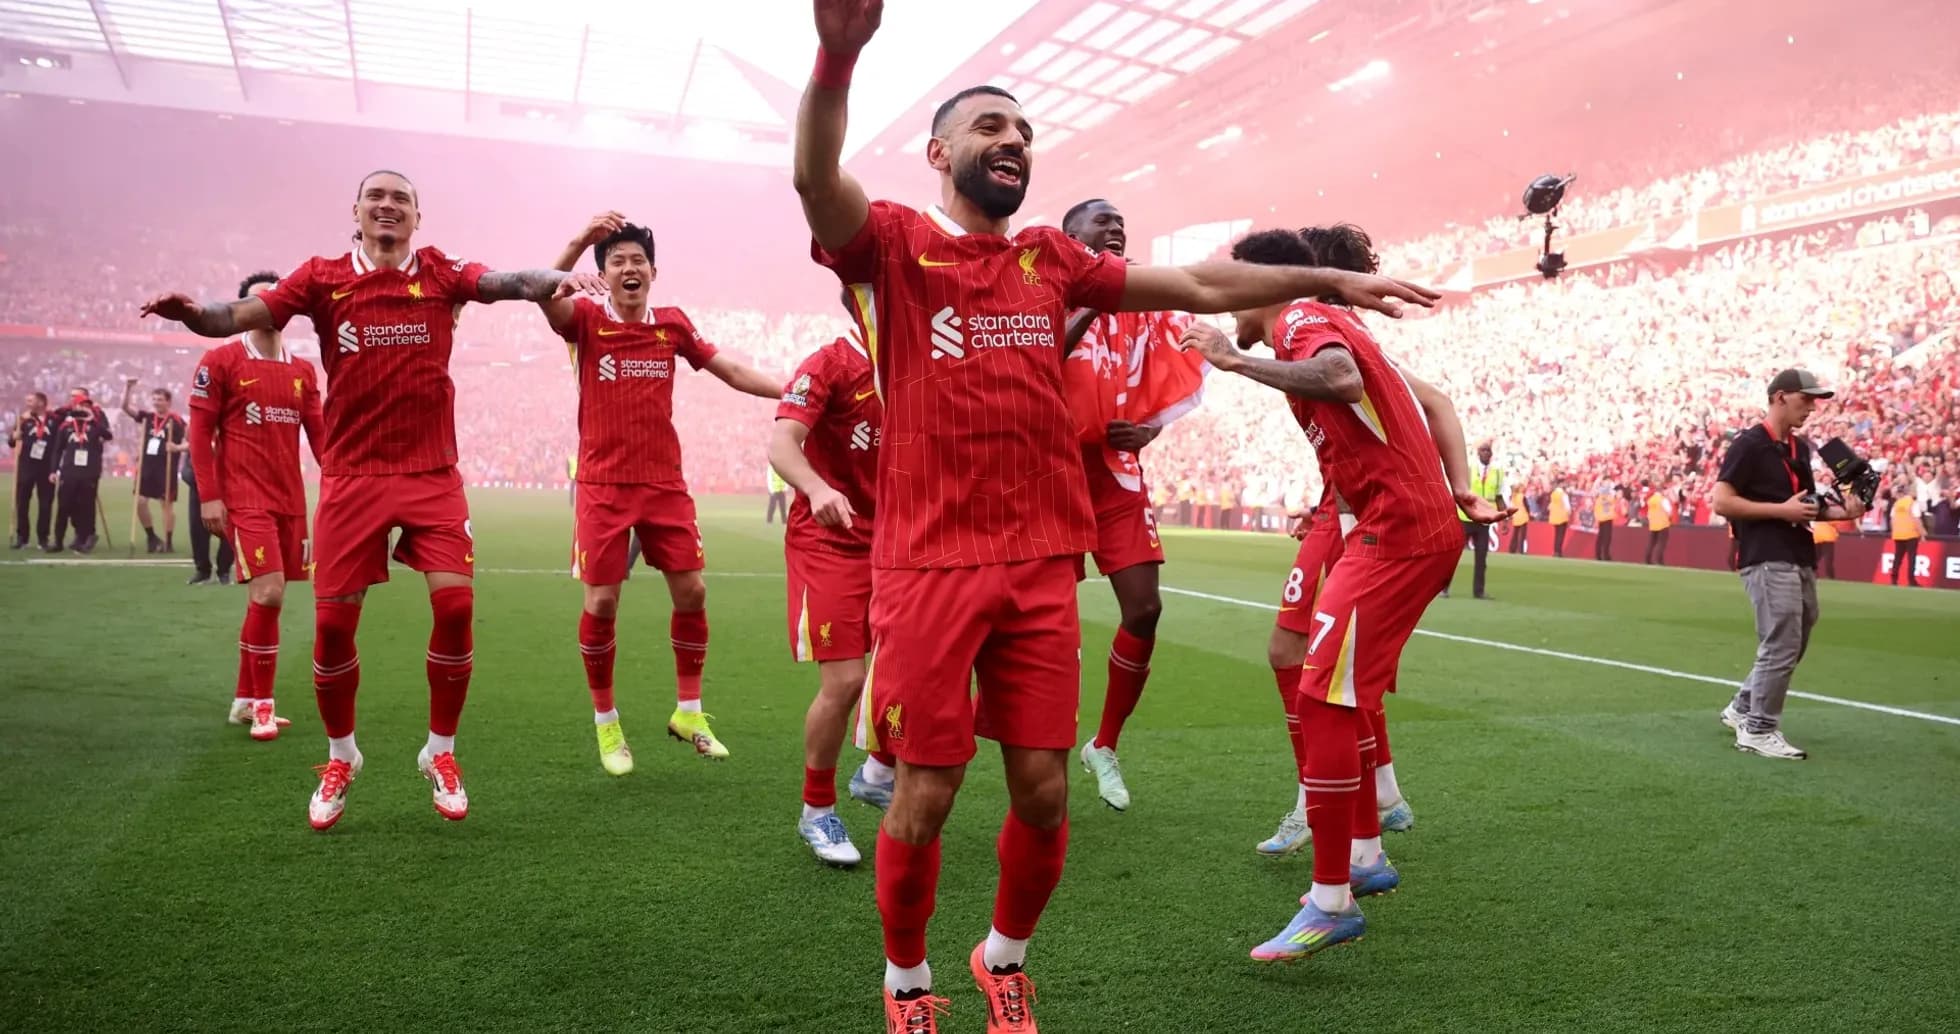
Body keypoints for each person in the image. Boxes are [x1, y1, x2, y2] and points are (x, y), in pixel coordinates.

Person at [794, 5, 1435, 1026]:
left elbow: (1193, 278)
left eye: (1025, 133)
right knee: (925, 794)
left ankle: (1003, 956)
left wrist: (1333, 274)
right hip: (924, 567)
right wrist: (839, 52)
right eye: (991, 126)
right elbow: (817, 183)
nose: (1014, 141)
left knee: (1044, 790)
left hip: (1042, 562)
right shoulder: (896, 248)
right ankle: (907, 980)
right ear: (938, 151)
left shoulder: (1052, 259)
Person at [141, 168, 595, 831]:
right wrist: (192, 315)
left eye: (401, 199)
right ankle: (341, 756)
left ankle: (440, 752)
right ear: (354, 212)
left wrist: (557, 279)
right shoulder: (321, 278)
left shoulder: (439, 272)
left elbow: (510, 283)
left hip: (430, 472)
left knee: (458, 604)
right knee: (331, 627)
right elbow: (235, 315)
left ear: (418, 217)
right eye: (376, 197)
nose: (388, 206)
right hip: (353, 477)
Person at [1179, 226, 1502, 963]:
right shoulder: (1323, 318)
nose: (1227, 300)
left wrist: (1231, 360)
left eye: (1232, 283)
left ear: (1261, 281)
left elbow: (1342, 381)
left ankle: (1333, 898)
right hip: (1392, 527)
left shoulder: (1298, 318)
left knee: (1320, 692)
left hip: (1397, 531)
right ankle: (1363, 854)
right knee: (1340, 692)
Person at [541, 214, 783, 771]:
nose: (630, 268)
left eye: (637, 260)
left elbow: (729, 369)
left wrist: (795, 390)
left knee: (693, 592)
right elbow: (543, 294)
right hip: (602, 485)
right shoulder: (583, 320)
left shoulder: (671, 326)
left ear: (653, 271)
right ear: (602, 273)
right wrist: (577, 240)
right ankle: (607, 725)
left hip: (664, 484)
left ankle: (689, 712)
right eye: (617, 261)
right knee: (602, 602)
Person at [1060, 197, 1206, 812]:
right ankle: (1036, 747)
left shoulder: (1143, 297)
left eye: (1123, 222)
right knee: (1047, 621)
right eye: (1103, 221)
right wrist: (1092, 302)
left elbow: (1166, 371)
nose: (1118, 229)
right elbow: (1028, 361)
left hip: (1116, 472)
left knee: (1144, 609)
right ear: (1072, 236)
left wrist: (1149, 430)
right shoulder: (1042, 284)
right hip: (1052, 471)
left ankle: (1104, 744)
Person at [768, 303, 899, 866]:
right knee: (845, 680)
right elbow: (781, 444)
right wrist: (817, 489)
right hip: (831, 539)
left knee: (918, 666)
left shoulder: (921, 362)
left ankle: (876, 771)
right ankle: (816, 810)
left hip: (900, 541)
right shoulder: (831, 362)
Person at [188, 270, 325, 741]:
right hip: (245, 499)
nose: (267, 309)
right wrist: (210, 496)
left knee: (263, 601)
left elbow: (322, 440)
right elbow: (200, 434)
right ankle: (264, 707)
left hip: (290, 501)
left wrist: (349, 483)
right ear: (243, 309)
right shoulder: (221, 360)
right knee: (269, 594)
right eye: (257, 302)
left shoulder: (303, 371)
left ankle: (243, 701)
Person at [1712, 369, 1864, 759]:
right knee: (1781, 641)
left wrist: (1847, 510)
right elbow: (1721, 501)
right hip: (1764, 555)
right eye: (1806, 399)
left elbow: (1806, 507)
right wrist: (1781, 510)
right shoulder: (1749, 444)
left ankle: (1743, 707)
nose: (1812, 407)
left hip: (1798, 552)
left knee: (1796, 637)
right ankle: (1758, 729)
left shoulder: (1800, 448)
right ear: (1780, 397)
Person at [120, 381, 187, 553]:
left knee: (166, 505)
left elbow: (192, 442)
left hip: (166, 468)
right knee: (140, 501)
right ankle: (151, 536)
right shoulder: (147, 417)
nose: (156, 402)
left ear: (168, 402)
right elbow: (125, 408)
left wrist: (177, 447)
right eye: (154, 399)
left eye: (160, 399)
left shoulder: (177, 421)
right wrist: (128, 388)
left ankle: (168, 542)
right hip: (146, 467)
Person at [49, 391, 112, 553]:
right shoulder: (66, 427)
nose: (83, 408)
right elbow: (57, 450)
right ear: (74, 407)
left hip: (89, 472)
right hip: (69, 471)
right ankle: (58, 540)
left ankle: (86, 538)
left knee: (87, 507)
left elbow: (108, 435)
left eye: (87, 405)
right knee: (64, 507)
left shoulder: (95, 425)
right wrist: (53, 470)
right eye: (81, 405)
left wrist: (93, 420)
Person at [1447, 441, 1502, 599]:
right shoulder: (1469, 469)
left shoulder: (1497, 473)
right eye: (1484, 451)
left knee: (1481, 559)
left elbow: (1498, 496)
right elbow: (1457, 491)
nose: (1486, 453)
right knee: (1452, 556)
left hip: (1484, 521)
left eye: (1489, 451)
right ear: (1478, 453)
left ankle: (1479, 591)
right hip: (1465, 518)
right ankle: (1443, 588)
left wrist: (1504, 517)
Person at [9, 391, 57, 550]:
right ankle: (22, 537)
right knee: (22, 503)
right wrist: (14, 436)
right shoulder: (23, 420)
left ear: (42, 403)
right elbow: (11, 442)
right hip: (26, 467)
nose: (28, 403)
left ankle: (43, 538)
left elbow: (59, 443)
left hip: (46, 468)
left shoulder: (54, 420)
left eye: (31, 400)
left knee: (45, 504)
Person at [1888, 477, 1924, 587]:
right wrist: (1922, 533)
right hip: (1911, 534)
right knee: (1911, 558)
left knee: (1898, 557)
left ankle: (1894, 579)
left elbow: (1892, 520)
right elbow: (1916, 519)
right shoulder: (1912, 502)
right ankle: (1911, 580)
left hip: (1898, 534)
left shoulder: (1896, 504)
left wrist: (1894, 532)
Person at [1643, 481, 1672, 564]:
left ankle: (1647, 559)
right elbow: (1669, 512)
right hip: (1663, 523)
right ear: (1662, 490)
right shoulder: (1663, 500)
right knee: (1661, 543)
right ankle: (1658, 560)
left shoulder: (1651, 500)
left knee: (1651, 542)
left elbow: (1648, 513)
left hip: (1653, 524)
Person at [1592, 480, 1617, 561]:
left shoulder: (1599, 498)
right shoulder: (1607, 497)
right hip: (1607, 518)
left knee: (1601, 537)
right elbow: (1612, 501)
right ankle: (1605, 555)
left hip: (1601, 518)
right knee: (1606, 538)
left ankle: (1598, 554)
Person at [1548, 478, 1571, 558]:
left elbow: (1550, 505)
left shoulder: (1553, 494)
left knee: (1556, 535)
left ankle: (1555, 551)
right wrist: (1569, 514)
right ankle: (1558, 551)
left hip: (1554, 516)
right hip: (1562, 516)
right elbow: (1567, 506)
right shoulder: (1563, 494)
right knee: (1561, 535)